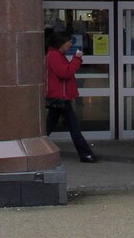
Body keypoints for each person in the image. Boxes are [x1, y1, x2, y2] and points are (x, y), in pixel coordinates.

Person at [43, 25, 101, 163]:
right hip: (60, 98)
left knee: (48, 127)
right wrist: (77, 59)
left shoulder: (56, 55)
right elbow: (65, 73)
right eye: (68, 42)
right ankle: (86, 154)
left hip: (60, 97)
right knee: (74, 128)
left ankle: (36, 148)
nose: (70, 44)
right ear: (60, 43)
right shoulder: (54, 56)